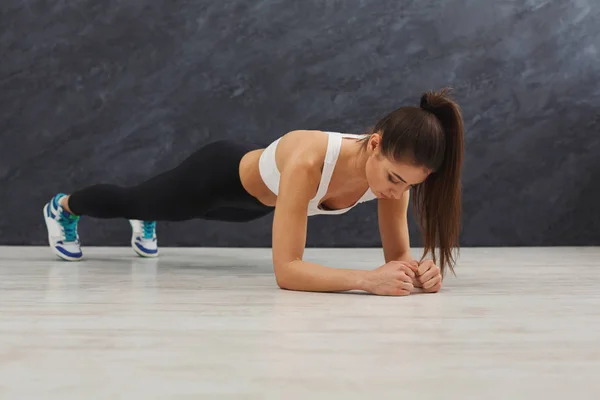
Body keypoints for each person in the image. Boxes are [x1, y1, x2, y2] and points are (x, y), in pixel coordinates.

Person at [43, 88, 464, 296]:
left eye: (411, 184)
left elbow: (398, 261)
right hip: (217, 177)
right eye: (394, 179)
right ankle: (63, 207)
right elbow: (287, 271)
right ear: (374, 143)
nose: (398, 192)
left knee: (179, 213)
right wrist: (365, 281)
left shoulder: (397, 180)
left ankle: (154, 217)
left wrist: (419, 272)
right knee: (136, 200)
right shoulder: (308, 160)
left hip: (257, 206)